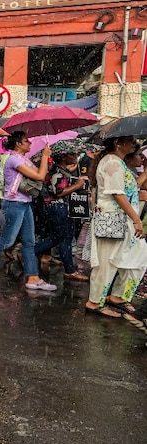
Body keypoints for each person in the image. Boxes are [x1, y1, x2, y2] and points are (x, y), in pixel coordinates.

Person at [0, 132, 57, 292]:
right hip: (14, 204)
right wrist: (44, 157)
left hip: (25, 203)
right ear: (17, 144)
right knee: (7, 241)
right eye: (25, 141)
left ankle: (33, 277)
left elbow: (39, 174)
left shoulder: (24, 159)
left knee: (29, 242)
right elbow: (40, 176)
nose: (29, 143)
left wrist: (45, 160)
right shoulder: (13, 159)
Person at [85, 136, 147, 317]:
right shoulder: (112, 163)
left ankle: (119, 296)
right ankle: (95, 302)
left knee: (139, 258)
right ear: (117, 143)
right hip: (113, 220)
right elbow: (118, 195)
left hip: (123, 220)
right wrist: (136, 220)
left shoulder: (117, 163)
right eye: (130, 141)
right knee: (107, 263)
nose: (134, 144)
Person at [36, 146, 88, 282]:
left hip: (61, 208)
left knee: (57, 238)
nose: (75, 155)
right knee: (64, 239)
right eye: (71, 153)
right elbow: (57, 192)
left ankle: (28, 253)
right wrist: (77, 185)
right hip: (59, 208)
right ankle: (70, 270)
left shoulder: (62, 171)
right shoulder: (57, 173)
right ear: (63, 157)